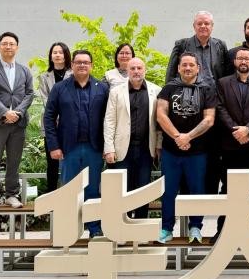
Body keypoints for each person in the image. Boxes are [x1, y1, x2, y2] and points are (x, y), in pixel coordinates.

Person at [43, 49, 110, 236]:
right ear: (72, 65)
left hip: (94, 147)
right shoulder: (60, 88)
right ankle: (69, 229)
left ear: (91, 65)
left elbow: (109, 118)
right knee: (69, 190)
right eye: (78, 62)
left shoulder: (102, 88)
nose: (82, 65)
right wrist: (54, 146)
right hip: (68, 148)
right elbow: (49, 118)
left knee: (93, 189)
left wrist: (108, 146)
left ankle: (94, 228)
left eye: (85, 62)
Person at [156, 53, 216, 244]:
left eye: (191, 65)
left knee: (197, 189)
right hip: (170, 151)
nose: (188, 68)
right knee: (168, 191)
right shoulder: (168, 88)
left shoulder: (207, 89)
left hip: (197, 152)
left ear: (198, 68)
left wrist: (188, 137)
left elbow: (209, 119)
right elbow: (160, 115)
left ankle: (195, 227)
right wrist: (177, 137)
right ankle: (166, 228)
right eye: (184, 65)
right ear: (178, 68)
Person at [216, 46, 249, 235]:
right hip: (230, 146)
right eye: (240, 58)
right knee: (227, 189)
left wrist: (247, 129)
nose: (243, 61)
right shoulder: (223, 83)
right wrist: (236, 130)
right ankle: (222, 230)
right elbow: (220, 108)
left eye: (247, 58)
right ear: (234, 61)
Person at [103, 57, 161, 219]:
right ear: (127, 71)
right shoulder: (116, 92)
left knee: (143, 189)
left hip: (145, 149)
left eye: (139, 68)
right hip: (122, 149)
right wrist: (109, 148)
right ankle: (123, 225)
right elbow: (109, 121)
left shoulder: (156, 91)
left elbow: (159, 123)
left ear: (145, 70)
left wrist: (158, 145)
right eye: (132, 68)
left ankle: (141, 225)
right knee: (123, 189)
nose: (136, 71)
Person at [0, 31, 35, 210]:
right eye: (5, 44)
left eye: (11, 44)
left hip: (18, 123)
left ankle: (12, 195)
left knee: (14, 161)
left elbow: (29, 94)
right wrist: (5, 112)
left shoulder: (24, 71)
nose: (8, 46)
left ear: (17, 47)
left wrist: (18, 112)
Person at [36, 41, 71, 193]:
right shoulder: (44, 77)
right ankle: (51, 194)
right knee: (52, 162)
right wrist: (55, 116)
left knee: (69, 160)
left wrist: (65, 115)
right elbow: (46, 99)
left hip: (69, 124)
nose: (57, 55)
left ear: (66, 55)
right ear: (50, 56)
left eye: (60, 52)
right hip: (51, 124)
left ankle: (69, 193)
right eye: (54, 52)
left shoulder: (73, 74)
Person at [165, 10, 228, 88]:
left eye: (206, 23)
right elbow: (171, 73)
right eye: (199, 23)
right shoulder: (181, 45)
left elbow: (227, 74)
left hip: (214, 92)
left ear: (212, 26)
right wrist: (168, 92)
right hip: (188, 92)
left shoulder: (221, 46)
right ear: (194, 26)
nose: (203, 26)